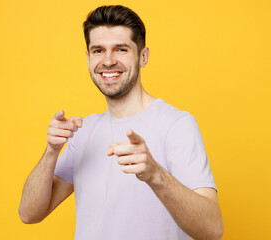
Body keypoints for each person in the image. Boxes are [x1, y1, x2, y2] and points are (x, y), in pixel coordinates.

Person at [18, 5, 223, 240]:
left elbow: (213, 230)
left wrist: (155, 174)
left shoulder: (176, 125)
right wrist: (51, 152)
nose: (107, 61)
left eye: (121, 49)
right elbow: (29, 213)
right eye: (98, 50)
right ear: (87, 58)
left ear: (143, 56)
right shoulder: (83, 132)